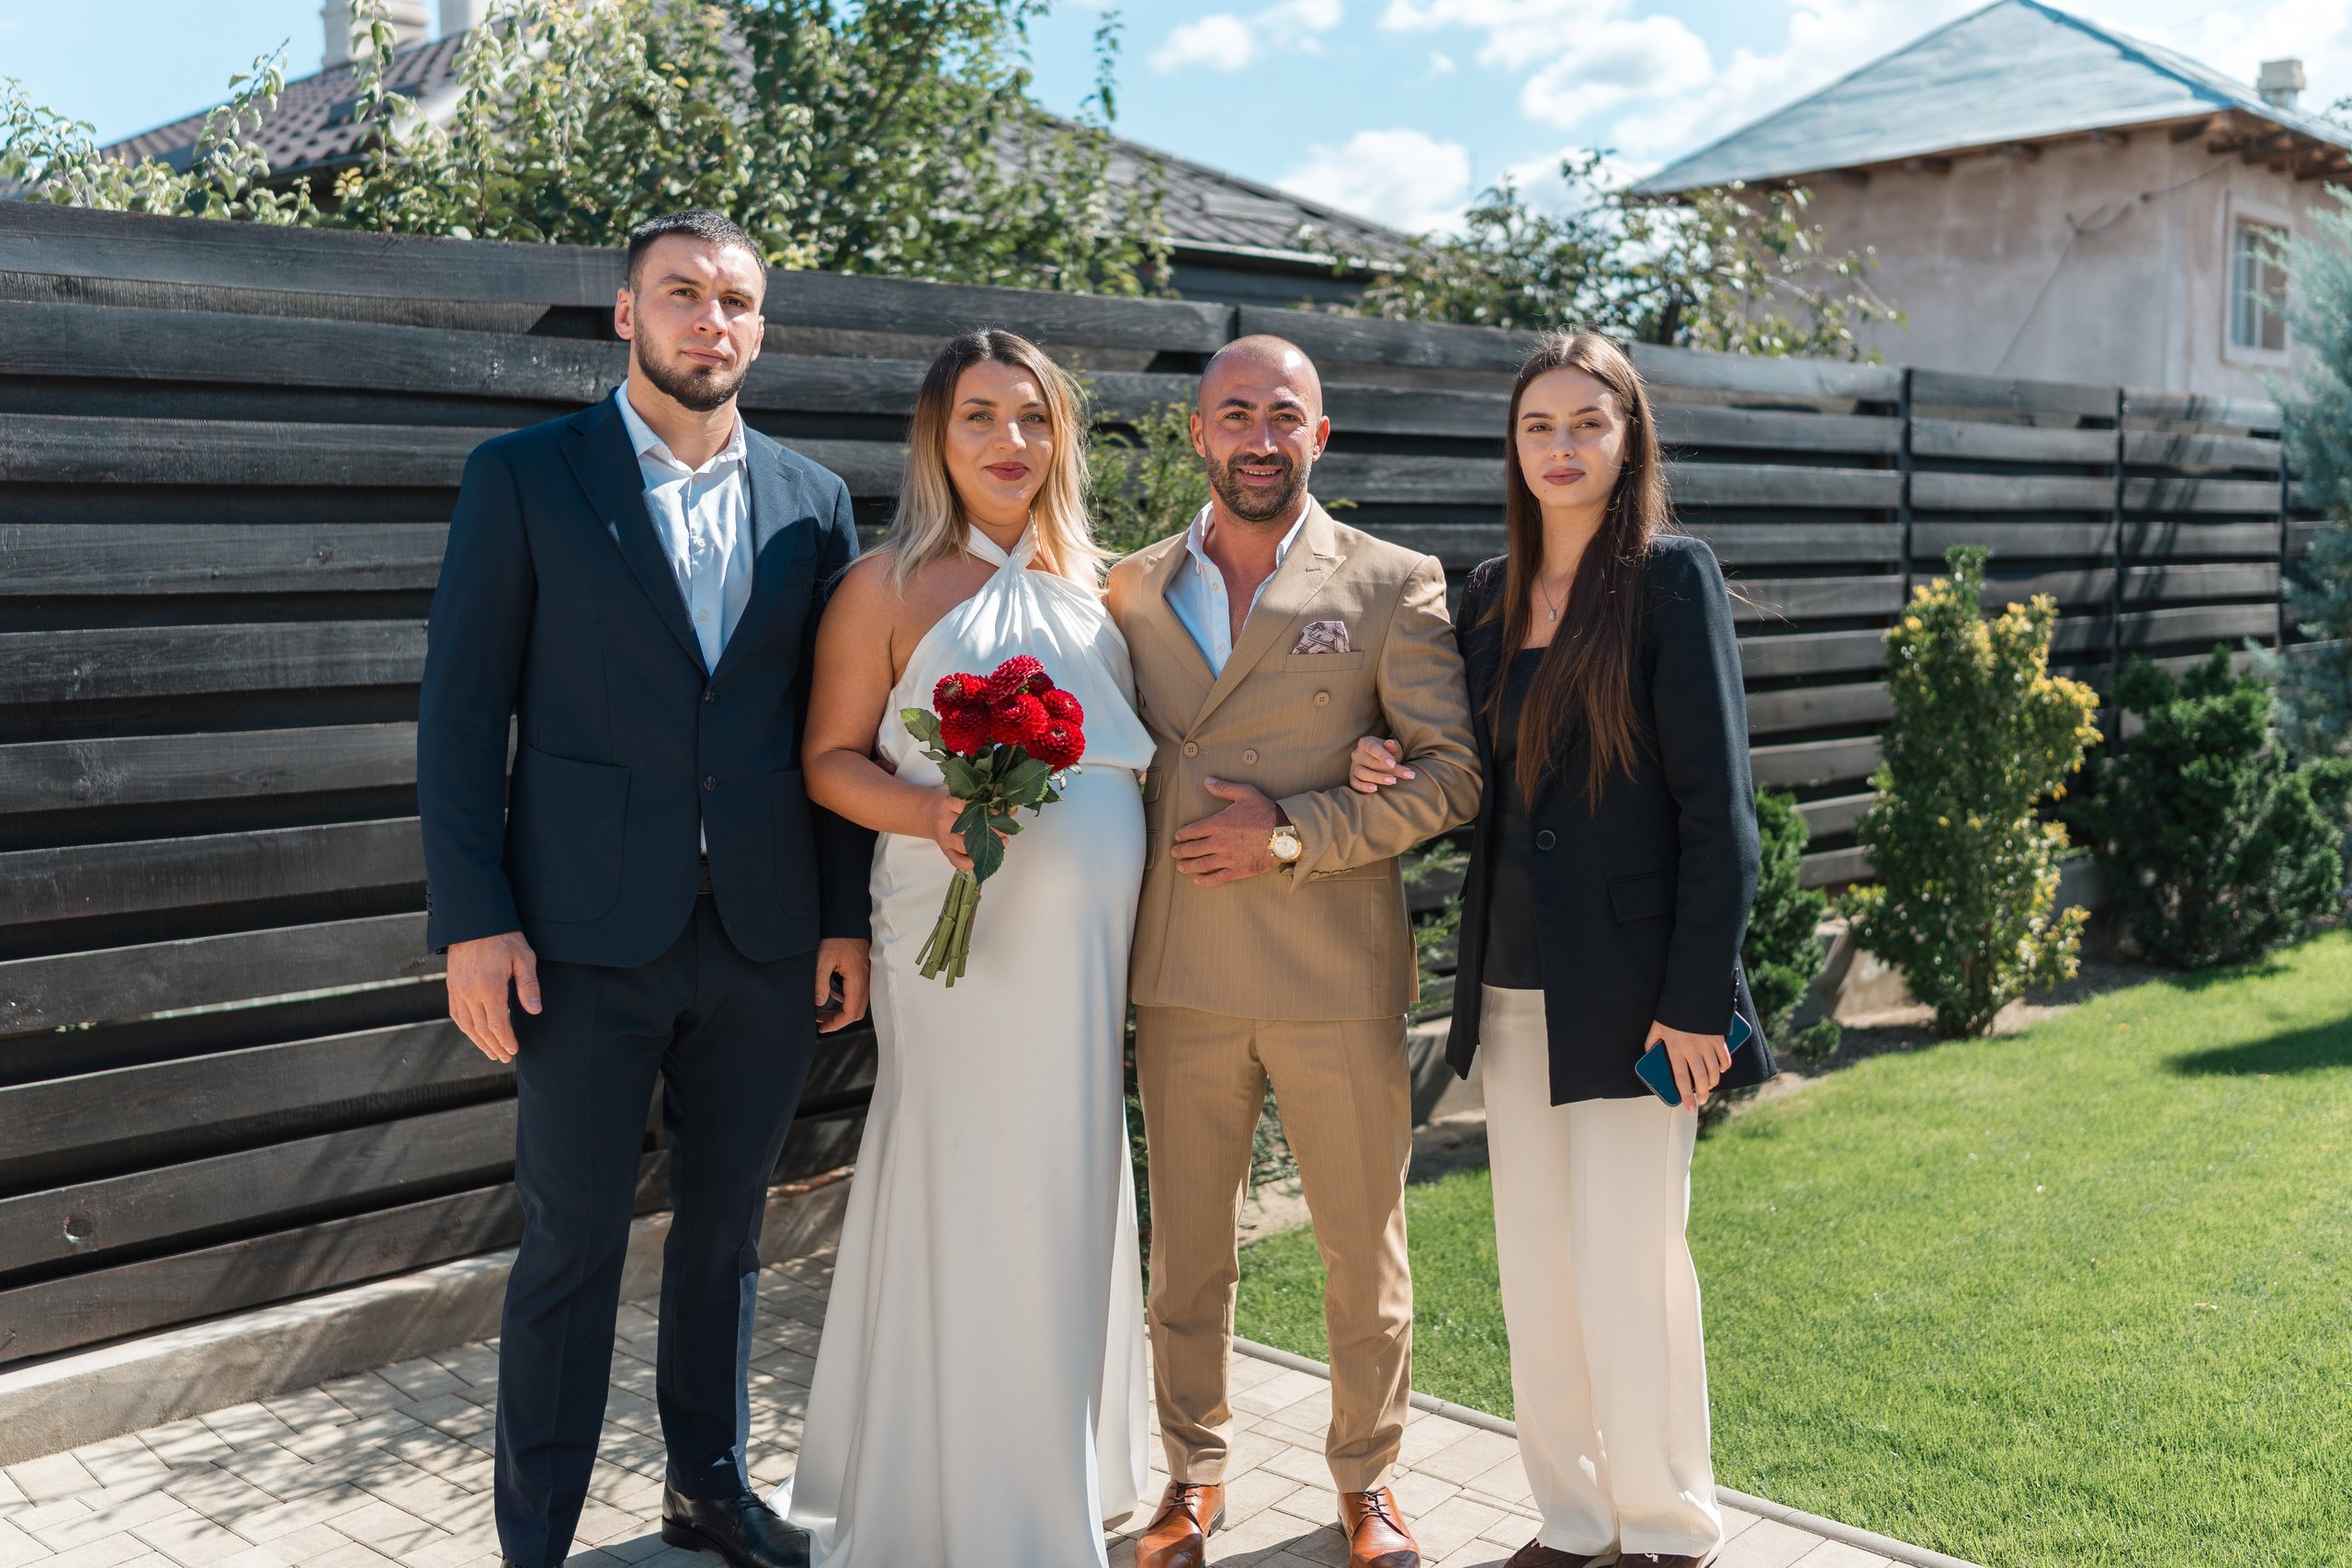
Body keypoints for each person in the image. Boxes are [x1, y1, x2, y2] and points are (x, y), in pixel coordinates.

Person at [418, 209, 875, 1568]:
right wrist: (474, 918)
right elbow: (459, 714)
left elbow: (829, 732)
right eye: (681, 294)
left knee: (727, 1236)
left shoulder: (815, 501)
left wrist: (840, 913)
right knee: (570, 1247)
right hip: (575, 939)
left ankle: (708, 1489)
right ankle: (538, 1540)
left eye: (735, 300)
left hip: (764, 939)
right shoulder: (524, 478)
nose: (710, 321)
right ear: (626, 315)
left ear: (758, 327)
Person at [1357, 332, 1772, 1568]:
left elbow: (1721, 812)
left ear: (1629, 438)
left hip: (1644, 999)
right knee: (1536, 1274)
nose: (1563, 446)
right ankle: (1576, 1517)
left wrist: (1695, 1002)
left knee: (1631, 1267)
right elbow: (1471, 776)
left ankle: (1664, 1525)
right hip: (1510, 987)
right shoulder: (1482, 594)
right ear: (1515, 446)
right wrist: (1385, 760)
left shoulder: (1668, 580)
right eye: (1540, 425)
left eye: (1588, 423)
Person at [1104, 335, 1483, 1568]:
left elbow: (1452, 778)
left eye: (1285, 416)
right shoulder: (1129, 587)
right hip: (1183, 967)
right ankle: (1192, 1477)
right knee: (1190, 1248)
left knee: (1359, 1247)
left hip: (1331, 964)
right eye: (1234, 415)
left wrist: (1294, 830)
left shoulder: (1392, 581)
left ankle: (1368, 1487)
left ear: (1320, 436)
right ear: (1198, 433)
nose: (1259, 438)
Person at [784, 330, 1157, 1566]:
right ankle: (949, 1495)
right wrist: (934, 811)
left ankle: (1061, 1468)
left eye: (1035, 418)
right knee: (970, 1171)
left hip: (1085, 950)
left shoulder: (1103, 584)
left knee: (1069, 1177)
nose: (1011, 442)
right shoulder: (885, 585)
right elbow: (832, 760)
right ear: (937, 440)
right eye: (981, 418)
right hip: (954, 934)